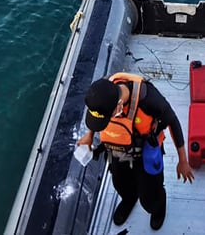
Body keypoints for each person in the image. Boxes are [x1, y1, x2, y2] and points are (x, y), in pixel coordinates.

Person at [78, 74, 194, 230]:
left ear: (119, 106)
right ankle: (129, 198)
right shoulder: (102, 95)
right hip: (117, 151)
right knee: (120, 184)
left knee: (150, 196)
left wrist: (183, 160)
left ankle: (157, 207)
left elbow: (173, 121)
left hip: (145, 153)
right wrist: (90, 135)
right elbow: (98, 115)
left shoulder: (149, 100)